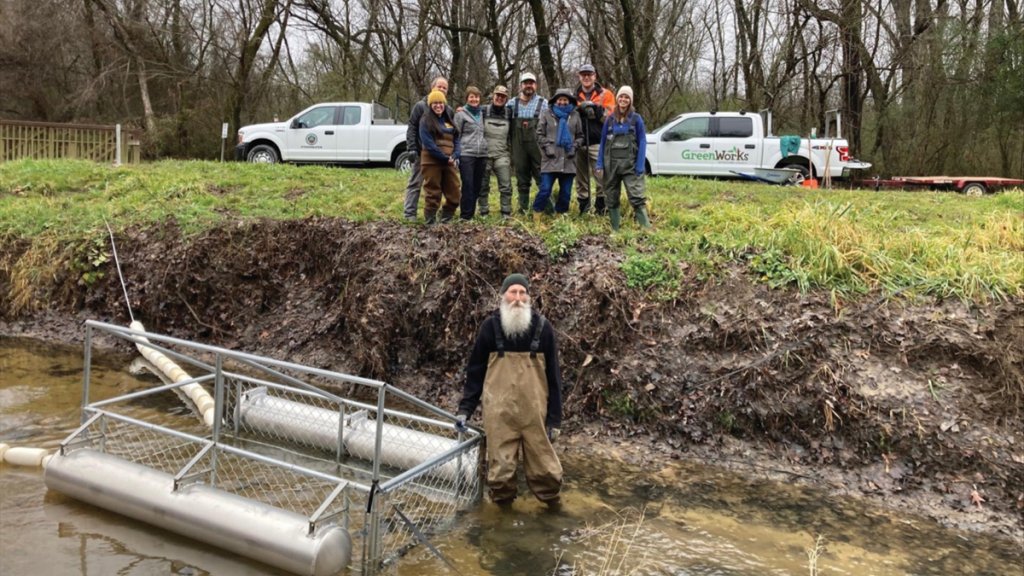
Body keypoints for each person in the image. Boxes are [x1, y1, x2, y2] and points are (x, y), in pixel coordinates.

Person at [456, 273, 563, 506]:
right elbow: (475, 373)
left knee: (546, 471)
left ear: (529, 297)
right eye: (513, 292)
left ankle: (553, 512)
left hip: (535, 415)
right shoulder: (489, 328)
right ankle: (502, 519)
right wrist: (466, 409)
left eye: (522, 293)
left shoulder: (543, 328)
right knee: (500, 474)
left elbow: (554, 377)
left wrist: (555, 420)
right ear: (503, 295)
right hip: (499, 415)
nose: (518, 298)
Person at [596, 86, 651, 231]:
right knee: (611, 198)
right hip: (611, 165)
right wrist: (599, 164)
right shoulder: (609, 120)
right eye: (621, 96)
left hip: (630, 166)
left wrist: (640, 165)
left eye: (627, 97)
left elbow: (643, 142)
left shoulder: (636, 119)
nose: (623, 99)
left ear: (630, 100)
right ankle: (616, 230)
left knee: (637, 197)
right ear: (617, 98)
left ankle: (647, 230)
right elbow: (603, 142)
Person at [404, 77, 450, 221]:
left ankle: (433, 214)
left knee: (435, 186)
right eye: (439, 87)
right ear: (432, 88)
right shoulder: (420, 106)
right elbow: (412, 126)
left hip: (440, 153)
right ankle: (409, 213)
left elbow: (453, 125)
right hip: (421, 151)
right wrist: (411, 147)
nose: (442, 89)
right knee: (415, 182)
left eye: (444, 88)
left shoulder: (447, 108)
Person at [534, 88, 583, 219]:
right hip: (550, 159)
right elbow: (539, 134)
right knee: (545, 190)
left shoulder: (575, 116)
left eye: (565, 99)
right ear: (555, 101)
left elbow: (580, 136)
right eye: (560, 99)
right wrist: (547, 147)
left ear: (569, 101)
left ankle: (559, 217)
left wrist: (574, 146)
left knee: (566, 193)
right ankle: (537, 214)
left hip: (569, 160)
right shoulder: (546, 114)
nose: (562, 102)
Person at [573, 64, 616, 215]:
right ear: (579, 76)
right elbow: (569, 117)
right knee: (581, 179)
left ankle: (601, 208)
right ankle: (584, 209)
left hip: (598, 141)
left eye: (589, 74)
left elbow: (611, 117)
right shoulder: (574, 95)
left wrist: (597, 111)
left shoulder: (605, 94)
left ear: (594, 76)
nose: (586, 77)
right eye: (583, 74)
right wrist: (579, 110)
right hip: (579, 142)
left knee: (601, 176)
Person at [418, 90, 461, 224]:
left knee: (455, 192)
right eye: (435, 103)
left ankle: (445, 218)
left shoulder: (449, 118)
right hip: (432, 162)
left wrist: (455, 154)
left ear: (444, 104)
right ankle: (430, 222)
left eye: (440, 103)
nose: (438, 106)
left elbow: (457, 139)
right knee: (433, 193)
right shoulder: (425, 120)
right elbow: (428, 144)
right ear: (430, 105)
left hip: (449, 161)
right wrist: (443, 157)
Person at [511, 72, 548, 214]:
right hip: (518, 147)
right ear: (521, 85)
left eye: (531, 83)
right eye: (526, 83)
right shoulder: (511, 103)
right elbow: (496, 112)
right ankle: (524, 208)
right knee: (521, 177)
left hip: (537, 147)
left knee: (542, 177)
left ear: (536, 85)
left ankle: (546, 208)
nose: (528, 85)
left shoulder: (543, 103)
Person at [453, 86, 488, 220]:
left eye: (477, 97)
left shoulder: (482, 113)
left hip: (481, 154)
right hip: (466, 153)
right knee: (467, 184)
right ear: (467, 98)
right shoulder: (461, 114)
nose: (474, 99)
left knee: (477, 186)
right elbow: (456, 135)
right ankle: (465, 216)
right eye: (471, 97)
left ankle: (471, 213)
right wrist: (456, 153)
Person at [480, 85, 514, 218]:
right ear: (493, 96)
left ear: (506, 99)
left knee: (506, 185)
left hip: (502, 155)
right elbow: (469, 111)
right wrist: (461, 110)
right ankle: (484, 211)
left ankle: (506, 213)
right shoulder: (483, 110)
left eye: (503, 96)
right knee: (483, 186)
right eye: (498, 95)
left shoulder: (509, 113)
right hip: (485, 154)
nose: (500, 98)